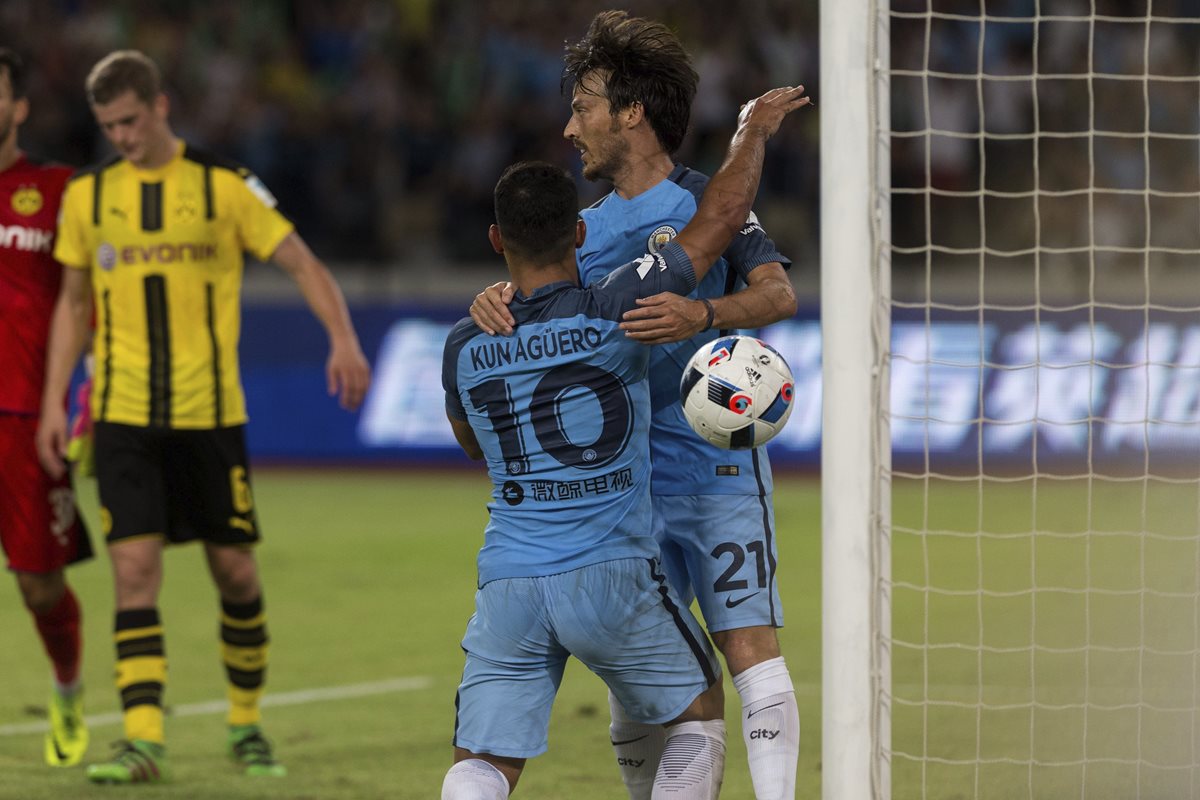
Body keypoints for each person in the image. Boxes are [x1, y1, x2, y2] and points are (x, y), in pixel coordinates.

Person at [442, 84, 809, 800]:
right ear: (578, 236)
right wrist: (753, 134)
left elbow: (472, 445)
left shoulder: (464, 340)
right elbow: (718, 223)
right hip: (611, 558)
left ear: (496, 242)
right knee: (699, 710)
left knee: (482, 759)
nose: (571, 124)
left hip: (511, 572)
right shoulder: (615, 309)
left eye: (583, 107)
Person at [36, 49, 372, 785]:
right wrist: (56, 402)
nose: (119, 136)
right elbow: (71, 305)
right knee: (133, 572)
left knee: (236, 574)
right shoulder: (89, 197)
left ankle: (246, 724)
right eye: (107, 125)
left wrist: (343, 338)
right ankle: (142, 739)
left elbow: (303, 264)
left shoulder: (222, 186)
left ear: (160, 107)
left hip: (209, 417)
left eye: (129, 120)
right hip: (122, 416)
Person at [0, 46, 94, 770]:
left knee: (38, 583)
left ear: (18, 106)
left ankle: (66, 688)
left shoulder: (58, 190)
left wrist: (82, 393)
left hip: (25, 417)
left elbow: (87, 299)